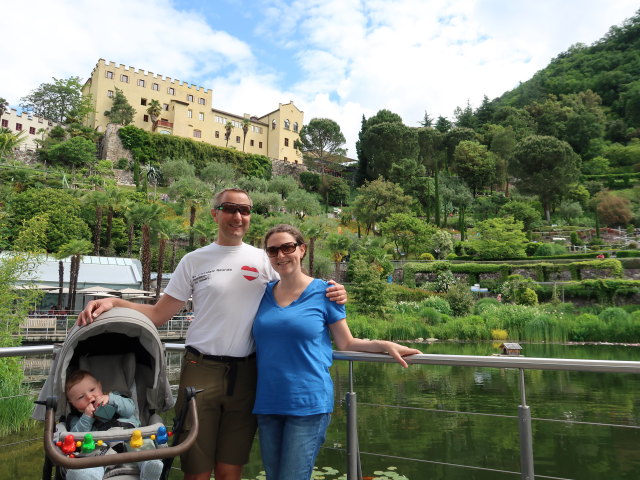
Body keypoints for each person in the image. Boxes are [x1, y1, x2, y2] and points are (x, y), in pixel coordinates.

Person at [77, 188, 346, 480]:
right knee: (197, 467)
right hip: (200, 369)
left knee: (231, 469)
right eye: (230, 208)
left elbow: (297, 289)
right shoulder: (194, 260)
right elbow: (159, 314)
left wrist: (334, 291)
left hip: (248, 374)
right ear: (215, 213)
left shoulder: (266, 260)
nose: (238, 216)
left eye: (245, 210)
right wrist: (115, 302)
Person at [252, 224, 421, 480]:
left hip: (308, 403)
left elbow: (347, 343)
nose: (280, 255)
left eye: (287, 247)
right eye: (273, 250)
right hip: (268, 402)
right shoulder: (263, 293)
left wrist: (384, 345)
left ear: (302, 250)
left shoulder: (325, 292)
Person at [65, 369, 163, 480]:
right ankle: (87, 475)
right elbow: (75, 438)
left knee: (143, 448)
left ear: (100, 386)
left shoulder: (114, 397)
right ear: (72, 404)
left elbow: (130, 409)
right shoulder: (76, 419)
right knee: (89, 460)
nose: (89, 397)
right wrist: (87, 417)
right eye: (80, 397)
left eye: (92, 389)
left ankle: (148, 467)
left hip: (131, 439)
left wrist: (111, 399)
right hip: (101, 450)